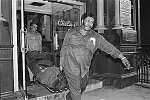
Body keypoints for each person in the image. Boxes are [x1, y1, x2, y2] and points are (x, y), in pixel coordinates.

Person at [60, 13, 131, 100]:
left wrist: (122, 57)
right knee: (76, 90)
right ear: (82, 21)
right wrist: (61, 63)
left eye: (92, 22)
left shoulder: (96, 37)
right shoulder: (71, 33)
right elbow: (64, 48)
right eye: (88, 21)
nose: (89, 24)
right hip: (70, 66)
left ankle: (69, 97)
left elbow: (108, 47)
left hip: (84, 69)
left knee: (82, 86)